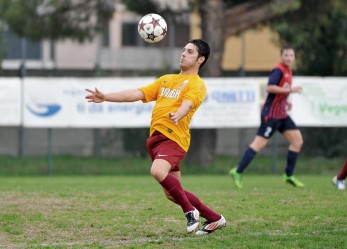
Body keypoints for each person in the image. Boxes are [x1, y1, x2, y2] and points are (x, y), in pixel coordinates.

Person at [85, 39, 226, 235]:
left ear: (200, 59)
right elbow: (137, 93)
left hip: (174, 139)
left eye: (190, 52)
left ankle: (190, 211)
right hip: (156, 140)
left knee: (157, 171)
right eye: (184, 50)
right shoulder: (166, 79)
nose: (183, 53)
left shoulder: (197, 84)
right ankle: (214, 218)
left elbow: (188, 103)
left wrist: (179, 114)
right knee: (172, 193)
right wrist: (106, 96)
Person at [229, 45, 304, 189]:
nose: (289, 58)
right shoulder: (278, 70)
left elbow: (280, 92)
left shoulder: (288, 70)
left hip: (282, 114)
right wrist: (290, 91)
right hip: (271, 115)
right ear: (281, 56)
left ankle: (288, 175)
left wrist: (286, 101)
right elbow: (269, 87)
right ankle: (237, 171)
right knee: (259, 144)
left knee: (297, 141)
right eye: (286, 55)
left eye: (291, 55)